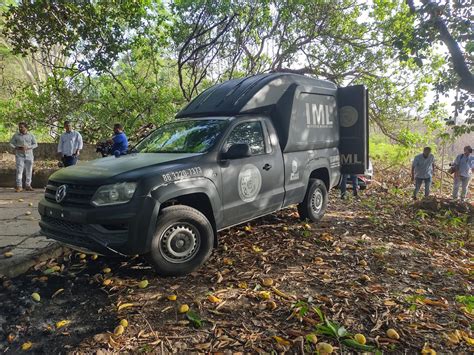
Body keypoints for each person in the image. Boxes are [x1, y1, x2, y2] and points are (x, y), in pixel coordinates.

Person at [9, 122, 38, 192]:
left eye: (22, 127)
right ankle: (19, 186)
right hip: (19, 156)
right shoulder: (16, 135)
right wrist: (17, 147)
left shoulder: (31, 135)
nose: (20, 128)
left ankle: (28, 185)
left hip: (29, 155)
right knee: (19, 171)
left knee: (29, 171)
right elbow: (11, 143)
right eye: (19, 127)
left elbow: (35, 144)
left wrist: (29, 147)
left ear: (26, 128)